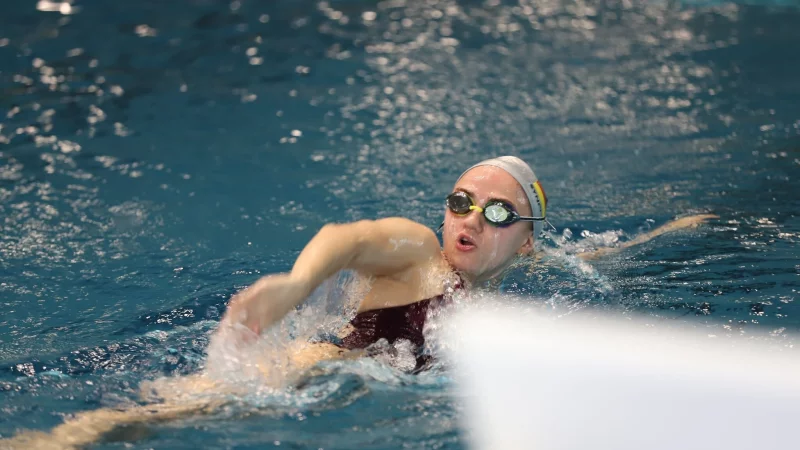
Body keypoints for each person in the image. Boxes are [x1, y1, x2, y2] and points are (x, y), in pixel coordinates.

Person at [0, 156, 717, 449]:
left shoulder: (513, 278)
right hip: (307, 370)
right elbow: (345, 240)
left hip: (357, 401)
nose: (470, 219)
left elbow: (584, 257)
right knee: (147, 419)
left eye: (498, 212)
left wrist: (665, 233)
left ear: (526, 242)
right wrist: (294, 287)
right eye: (461, 201)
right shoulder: (417, 252)